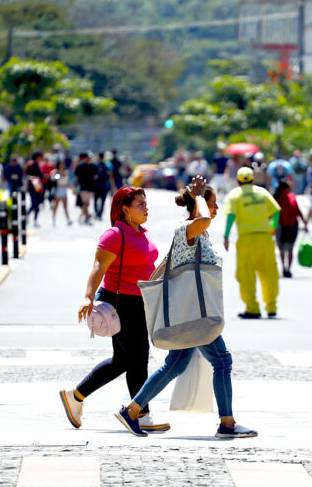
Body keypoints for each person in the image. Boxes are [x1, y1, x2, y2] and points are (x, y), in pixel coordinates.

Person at [115, 177, 258, 439]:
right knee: (222, 361)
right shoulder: (188, 229)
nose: (215, 210)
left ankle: (132, 410)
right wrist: (200, 197)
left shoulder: (198, 232)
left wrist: (201, 199)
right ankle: (227, 423)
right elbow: (202, 219)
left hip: (192, 312)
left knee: (175, 365)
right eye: (212, 204)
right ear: (199, 205)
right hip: (196, 315)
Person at [62, 186, 170, 433]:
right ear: (125, 209)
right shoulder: (114, 234)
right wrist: (87, 297)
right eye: (140, 204)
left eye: (146, 203)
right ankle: (140, 413)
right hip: (120, 302)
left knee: (123, 360)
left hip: (139, 301)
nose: (146, 208)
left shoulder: (140, 233)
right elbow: (98, 267)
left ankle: (75, 396)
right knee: (138, 356)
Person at [223, 167, 281, 319]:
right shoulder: (262, 193)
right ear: (253, 179)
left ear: (238, 181)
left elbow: (230, 216)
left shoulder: (235, 195)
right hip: (265, 238)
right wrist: (273, 227)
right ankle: (271, 306)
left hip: (246, 239)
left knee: (246, 274)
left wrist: (226, 236)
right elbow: (276, 211)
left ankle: (252, 307)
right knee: (269, 273)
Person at [274, 182, 308, 278]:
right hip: (280, 226)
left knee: (290, 248)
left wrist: (304, 222)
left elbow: (297, 210)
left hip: (292, 225)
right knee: (281, 249)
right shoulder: (276, 198)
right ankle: (283, 267)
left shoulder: (292, 197)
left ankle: (288, 268)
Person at [75, 152, 97, 225]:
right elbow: (77, 178)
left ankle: (81, 216)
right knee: (85, 203)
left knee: (87, 204)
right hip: (83, 187)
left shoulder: (93, 166)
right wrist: (75, 187)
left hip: (91, 187)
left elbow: (95, 177)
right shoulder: (80, 166)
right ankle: (87, 218)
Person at [25, 152, 45, 227]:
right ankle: (27, 215)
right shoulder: (31, 164)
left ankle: (35, 219)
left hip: (37, 186)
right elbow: (26, 175)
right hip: (32, 187)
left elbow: (40, 175)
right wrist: (32, 178)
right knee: (34, 203)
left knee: (37, 204)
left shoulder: (38, 165)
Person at [50, 161, 73, 226]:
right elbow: (52, 179)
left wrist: (72, 189)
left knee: (65, 206)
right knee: (56, 206)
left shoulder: (66, 172)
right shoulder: (55, 172)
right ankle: (54, 220)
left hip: (64, 189)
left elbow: (68, 182)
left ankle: (68, 219)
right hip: (58, 189)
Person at [94, 152, 112, 221]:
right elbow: (110, 176)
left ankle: (96, 213)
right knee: (103, 201)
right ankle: (100, 214)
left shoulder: (96, 166)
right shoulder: (106, 166)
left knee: (95, 200)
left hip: (97, 186)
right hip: (104, 186)